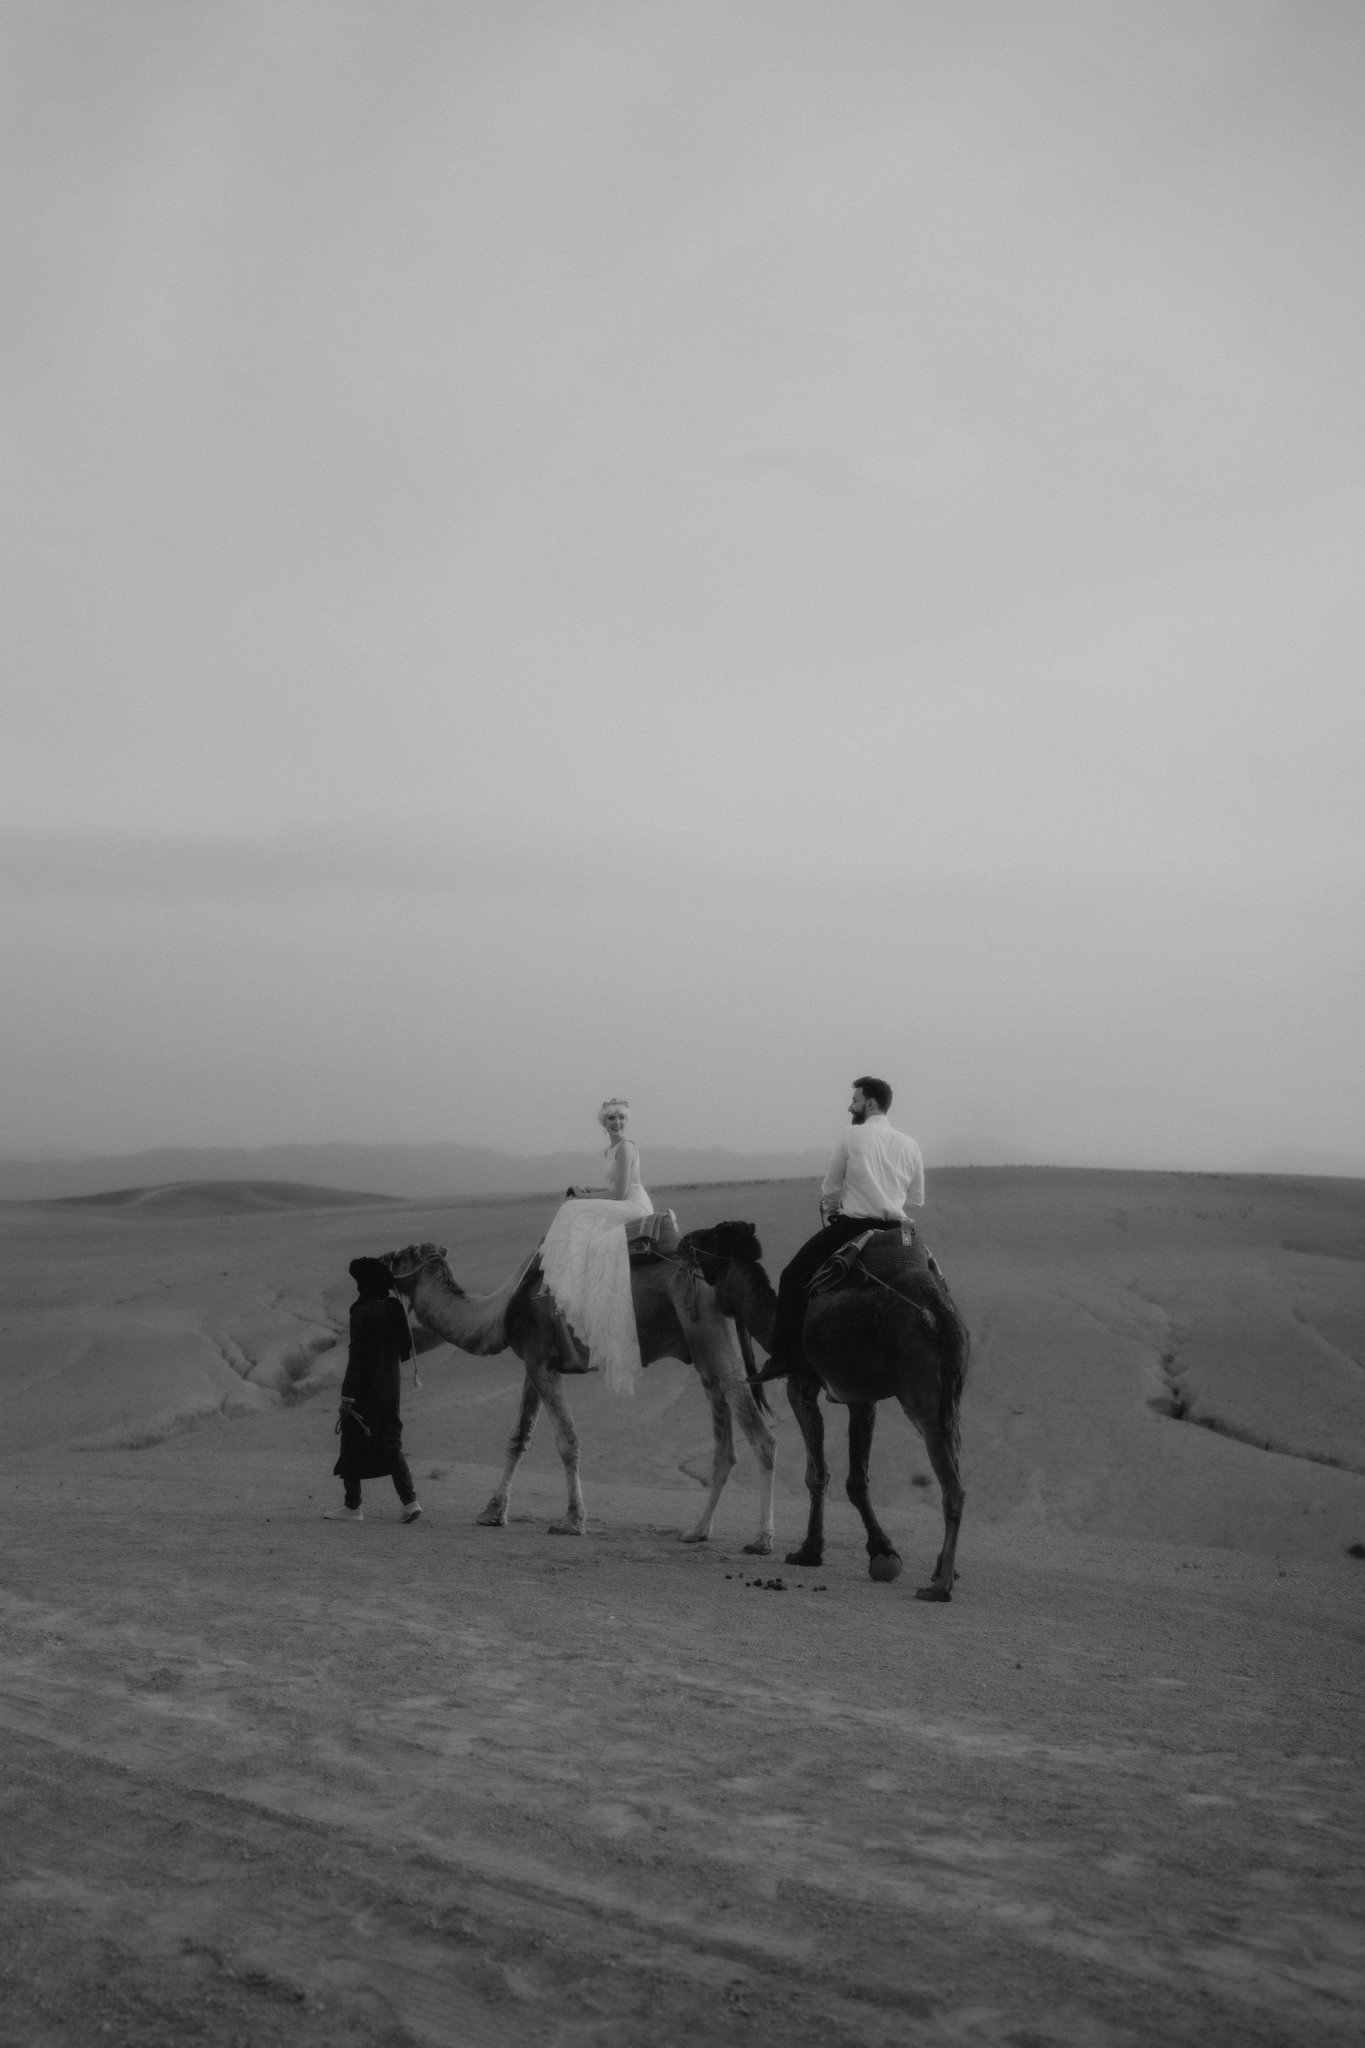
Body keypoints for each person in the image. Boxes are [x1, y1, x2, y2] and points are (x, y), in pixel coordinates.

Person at [763, 1076, 925, 1380]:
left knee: (792, 1276)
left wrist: (834, 1209)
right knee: (934, 1277)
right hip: (898, 1232)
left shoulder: (850, 1136)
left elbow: (831, 1187)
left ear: (870, 1103)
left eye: (855, 1100)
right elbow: (917, 1199)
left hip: (853, 1227)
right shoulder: (911, 1145)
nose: (850, 1106)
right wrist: (891, 1205)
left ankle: (784, 1358)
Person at [540, 1098, 654, 1395]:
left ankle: (566, 1285)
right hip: (622, 1201)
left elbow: (619, 1194)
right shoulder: (610, 1150)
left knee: (572, 1212)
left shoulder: (627, 1146)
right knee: (576, 1212)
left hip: (633, 1205)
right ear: (603, 1124)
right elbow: (610, 1189)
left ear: (626, 1120)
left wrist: (582, 1199)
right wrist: (589, 1190)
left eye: (620, 1117)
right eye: (611, 1119)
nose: (616, 1122)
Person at [327, 1256, 423, 1523]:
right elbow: (403, 1348)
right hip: (391, 1386)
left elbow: (356, 1358)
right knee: (390, 1441)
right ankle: (410, 1501)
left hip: (365, 1388)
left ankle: (352, 1506)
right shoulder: (393, 1307)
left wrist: (347, 1399)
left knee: (351, 1441)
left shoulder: (361, 1312)